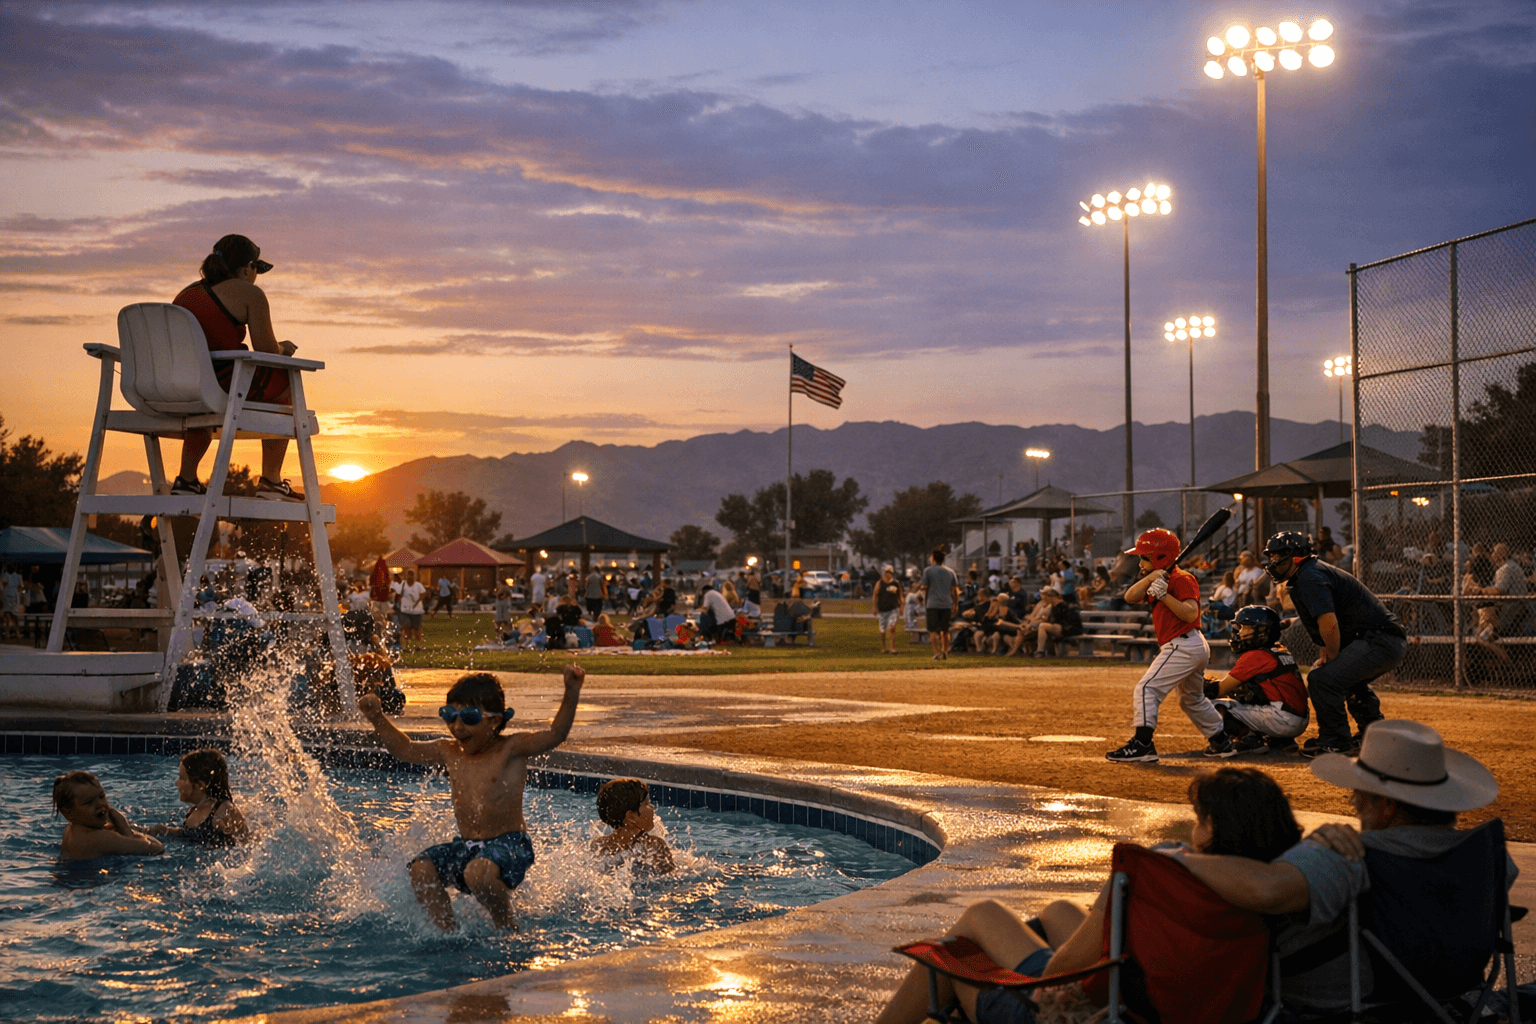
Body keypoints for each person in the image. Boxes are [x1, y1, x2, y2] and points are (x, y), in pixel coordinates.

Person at [874, 767, 1302, 1024]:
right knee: (1060, 909)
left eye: (1198, 820)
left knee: (966, 935)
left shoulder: (1160, 875)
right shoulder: (1276, 886)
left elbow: (1059, 971)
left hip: (1097, 1013)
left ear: (1210, 832)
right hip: (1187, 1003)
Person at [1174, 720, 1510, 1019]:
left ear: (1387, 807)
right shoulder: (1485, 856)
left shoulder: (1350, 855)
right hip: (1449, 998)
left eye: (1357, 795)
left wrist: (1176, 857)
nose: (1353, 804)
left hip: (1342, 1004)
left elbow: (1267, 890)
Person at [358, 666, 585, 931]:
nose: (457, 727)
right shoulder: (448, 750)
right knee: (421, 869)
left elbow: (556, 734)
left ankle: (507, 927)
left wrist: (571, 691)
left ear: (495, 720)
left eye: (469, 717)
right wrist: (377, 718)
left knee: (478, 873)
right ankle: (446, 932)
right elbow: (405, 749)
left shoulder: (510, 749)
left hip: (510, 845)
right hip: (468, 846)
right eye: (449, 716)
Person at [169, 234, 303, 502]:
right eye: (256, 270)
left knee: (205, 404)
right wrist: (283, 348)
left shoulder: (185, 295)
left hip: (184, 386)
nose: (256, 277)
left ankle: (187, 478)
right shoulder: (250, 294)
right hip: (225, 382)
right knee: (285, 382)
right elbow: (266, 350)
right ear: (246, 269)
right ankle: (271, 479)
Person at [1260, 531, 1404, 757]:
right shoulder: (1309, 572)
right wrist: (1327, 653)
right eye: (1272, 557)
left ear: (1296, 556)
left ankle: (1335, 741)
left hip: (1379, 640)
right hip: (1380, 639)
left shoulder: (1309, 577)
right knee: (1345, 680)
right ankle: (1373, 734)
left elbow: (1329, 624)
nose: (1273, 562)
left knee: (1323, 679)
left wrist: (1331, 657)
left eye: (1278, 556)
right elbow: (1327, 622)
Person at [1106, 529, 1230, 763]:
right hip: (1188, 645)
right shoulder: (1160, 578)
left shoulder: (1182, 579)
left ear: (1160, 557)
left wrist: (1164, 596)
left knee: (1147, 688)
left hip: (1183, 644)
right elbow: (1130, 597)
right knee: (1191, 699)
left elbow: (1191, 613)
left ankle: (1142, 744)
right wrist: (1151, 578)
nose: (1140, 563)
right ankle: (1221, 741)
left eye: (1144, 558)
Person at [1203, 605, 1309, 754]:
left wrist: (1201, 685)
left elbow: (1219, 690)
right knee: (1245, 692)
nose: (1240, 632)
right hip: (1299, 718)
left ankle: (1250, 739)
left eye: (1246, 628)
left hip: (1284, 720)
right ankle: (1281, 740)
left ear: (1263, 632)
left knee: (1213, 706)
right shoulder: (1280, 650)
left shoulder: (1256, 656)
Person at [146, 748, 249, 846]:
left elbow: (246, 844)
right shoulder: (194, 810)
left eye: (182, 778)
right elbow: (189, 835)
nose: (177, 783)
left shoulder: (224, 812)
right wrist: (163, 831)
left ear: (200, 785)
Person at [54, 770, 165, 860]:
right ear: (67, 812)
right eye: (89, 802)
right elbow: (156, 848)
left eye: (101, 796)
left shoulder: (69, 831)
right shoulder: (100, 839)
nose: (100, 804)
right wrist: (126, 830)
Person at [590, 778, 675, 876]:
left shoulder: (600, 845)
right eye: (647, 803)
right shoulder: (655, 846)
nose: (652, 807)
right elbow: (672, 878)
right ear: (631, 817)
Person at [921, 547, 960, 661]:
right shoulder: (950, 572)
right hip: (946, 604)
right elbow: (955, 590)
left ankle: (936, 652)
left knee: (933, 630)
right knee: (945, 630)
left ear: (933, 558)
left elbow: (924, 586)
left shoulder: (928, 571)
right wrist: (955, 604)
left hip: (932, 604)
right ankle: (945, 651)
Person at [1031, 587, 1082, 658]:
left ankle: (1040, 651)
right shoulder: (1053, 606)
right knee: (1042, 627)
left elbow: (1067, 622)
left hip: (1071, 628)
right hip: (1062, 628)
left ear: (1051, 597)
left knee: (1042, 626)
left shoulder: (1064, 605)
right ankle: (1050, 653)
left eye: (1046, 597)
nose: (1045, 600)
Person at [392, 569, 427, 650]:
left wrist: (417, 601)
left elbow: (423, 594)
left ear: (414, 577)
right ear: (406, 576)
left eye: (412, 576)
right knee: (406, 627)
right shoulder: (402, 585)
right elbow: (398, 594)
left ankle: (418, 645)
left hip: (417, 611)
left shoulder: (418, 585)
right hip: (405, 611)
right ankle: (406, 646)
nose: (410, 577)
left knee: (417, 628)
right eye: (409, 575)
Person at [873, 566, 904, 654]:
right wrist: (874, 607)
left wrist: (902, 607)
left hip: (893, 608)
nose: (889, 574)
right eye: (887, 572)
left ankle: (892, 648)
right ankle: (884, 647)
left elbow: (900, 596)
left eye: (890, 573)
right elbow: (875, 595)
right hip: (882, 609)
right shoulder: (880, 583)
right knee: (882, 630)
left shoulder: (896, 583)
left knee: (892, 627)